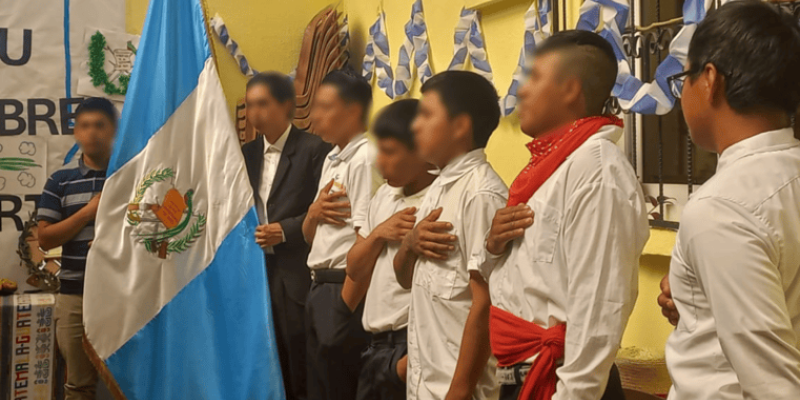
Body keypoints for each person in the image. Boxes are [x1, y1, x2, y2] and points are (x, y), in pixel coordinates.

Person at [485, 30, 649, 400]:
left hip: (563, 384)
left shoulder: (599, 173)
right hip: (521, 375)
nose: (521, 91)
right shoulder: (547, 171)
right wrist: (494, 246)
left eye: (534, 77)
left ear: (570, 90)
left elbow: (600, 308)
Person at [658, 2, 800, 399]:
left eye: (683, 78)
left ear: (709, 80)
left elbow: (773, 385)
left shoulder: (722, 207)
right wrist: (698, 301)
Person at [393, 70, 508, 400]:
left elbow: (486, 303)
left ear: (460, 126)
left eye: (427, 115)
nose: (415, 126)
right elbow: (404, 278)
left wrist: (458, 392)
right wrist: (410, 244)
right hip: (423, 385)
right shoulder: (438, 187)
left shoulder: (481, 195)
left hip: (458, 392)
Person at [240, 72, 331, 400]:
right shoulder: (244, 154)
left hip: (296, 272)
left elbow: (325, 209)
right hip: (253, 274)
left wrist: (287, 230)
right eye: (250, 105)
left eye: (263, 104)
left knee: (297, 359)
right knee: (261, 358)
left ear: (286, 106)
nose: (255, 113)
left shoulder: (315, 149)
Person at [346, 99, 436, 400]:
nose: (379, 162)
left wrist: (407, 365)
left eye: (389, 151)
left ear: (422, 149)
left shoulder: (436, 202)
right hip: (374, 345)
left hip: (409, 344)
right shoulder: (384, 195)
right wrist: (378, 236)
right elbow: (355, 269)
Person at [302, 68, 376, 400]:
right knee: (319, 385)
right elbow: (310, 235)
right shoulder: (332, 157)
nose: (314, 116)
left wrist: (345, 307)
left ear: (353, 111)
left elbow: (367, 238)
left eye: (324, 106)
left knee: (339, 386)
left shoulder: (365, 158)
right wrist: (312, 213)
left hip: (342, 287)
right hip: (318, 284)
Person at [37, 97, 117, 400]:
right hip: (75, 295)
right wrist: (87, 212)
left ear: (113, 130)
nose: (92, 133)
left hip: (123, 294)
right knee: (79, 385)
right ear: (76, 132)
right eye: (85, 126)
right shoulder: (60, 180)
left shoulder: (129, 177)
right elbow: (45, 239)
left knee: (127, 382)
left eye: (100, 125)